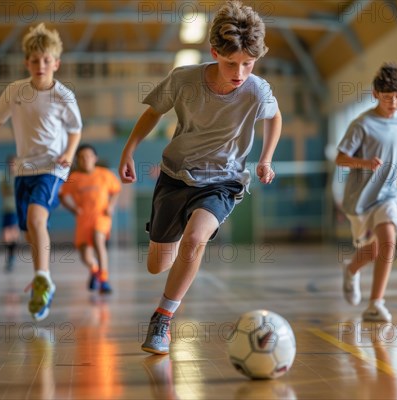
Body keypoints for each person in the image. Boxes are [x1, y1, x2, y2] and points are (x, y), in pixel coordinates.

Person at [118, 0, 282, 355]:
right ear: (214, 53)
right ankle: (169, 236)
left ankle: (162, 319)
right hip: (176, 175)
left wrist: (265, 159)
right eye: (230, 63)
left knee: (195, 240)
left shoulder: (256, 89)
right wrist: (128, 149)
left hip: (223, 181)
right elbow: (153, 112)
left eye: (247, 64)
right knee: (156, 264)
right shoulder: (184, 80)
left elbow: (275, 117)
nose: (239, 73)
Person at [0, 23, 82, 321]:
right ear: (26, 62)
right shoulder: (15, 92)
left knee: (36, 218)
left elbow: (75, 130)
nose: (40, 65)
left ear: (56, 63)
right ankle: (42, 280)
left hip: (52, 168)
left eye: (46, 60)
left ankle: (43, 278)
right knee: (31, 230)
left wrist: (70, 154)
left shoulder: (64, 96)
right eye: (34, 60)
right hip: (24, 170)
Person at [335, 62, 397, 322]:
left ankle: (375, 303)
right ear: (375, 94)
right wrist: (365, 163)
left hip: (388, 193)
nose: (393, 102)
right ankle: (351, 269)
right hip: (361, 198)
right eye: (387, 97)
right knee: (373, 249)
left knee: (389, 242)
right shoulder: (362, 124)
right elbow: (340, 158)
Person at [59, 144, 121, 294]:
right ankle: (94, 270)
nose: (85, 160)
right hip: (83, 218)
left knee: (98, 239)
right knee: (85, 255)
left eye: (88, 156)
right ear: (77, 160)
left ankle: (104, 279)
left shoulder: (104, 174)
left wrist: (111, 205)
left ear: (95, 158)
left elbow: (116, 190)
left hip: (101, 216)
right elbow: (62, 195)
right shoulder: (74, 178)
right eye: (81, 157)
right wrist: (73, 209)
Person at [1, 155, 20, 272]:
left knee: (13, 232)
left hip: (16, 209)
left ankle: (11, 256)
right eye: (10, 163)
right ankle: (10, 254)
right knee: (5, 235)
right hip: (7, 209)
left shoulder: (20, 176)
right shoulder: (5, 177)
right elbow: (3, 191)